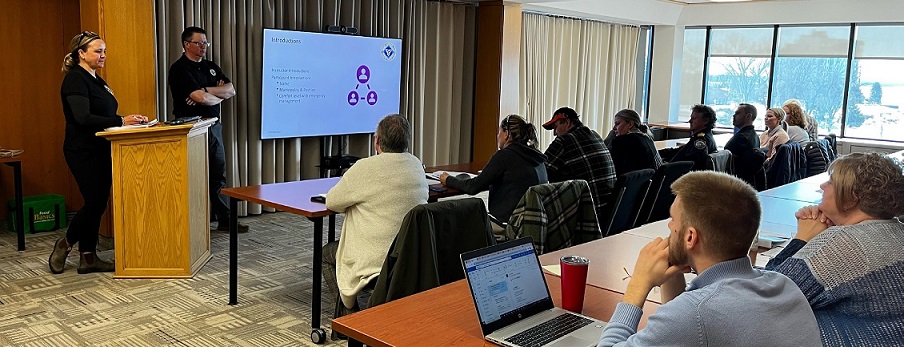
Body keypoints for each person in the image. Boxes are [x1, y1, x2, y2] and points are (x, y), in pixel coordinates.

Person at [598, 171, 821, 346]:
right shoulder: (784, 286)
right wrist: (674, 266)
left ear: (691, 237)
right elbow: (688, 326)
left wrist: (638, 283)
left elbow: (691, 317)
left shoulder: (696, 313)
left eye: (673, 219)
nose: (669, 226)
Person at [765, 152, 904, 346]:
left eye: (830, 182)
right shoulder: (896, 229)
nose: (822, 186)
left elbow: (763, 294)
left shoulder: (845, 243)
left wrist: (802, 238)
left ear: (850, 199)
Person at [49, 31, 149, 274]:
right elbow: (82, 118)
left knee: (98, 203)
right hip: (82, 150)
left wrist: (131, 121)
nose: (103, 55)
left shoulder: (97, 80)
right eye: (97, 51)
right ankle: (65, 243)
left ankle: (89, 257)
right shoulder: (75, 79)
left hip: (103, 148)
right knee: (94, 202)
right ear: (81, 54)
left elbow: (104, 114)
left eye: (104, 50)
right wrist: (120, 120)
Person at [321, 114, 428, 317]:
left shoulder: (364, 168)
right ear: (407, 140)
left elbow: (332, 202)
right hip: (410, 255)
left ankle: (350, 319)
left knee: (326, 255)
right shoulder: (416, 165)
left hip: (377, 261)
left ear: (377, 141)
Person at [168, 26, 247, 233]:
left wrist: (205, 91)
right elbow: (200, 99)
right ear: (186, 44)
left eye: (205, 43)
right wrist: (212, 95)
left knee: (218, 172)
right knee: (194, 174)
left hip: (213, 124)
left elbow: (230, 90)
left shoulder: (211, 67)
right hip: (191, 126)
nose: (203, 47)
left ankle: (224, 220)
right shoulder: (180, 69)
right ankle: (193, 223)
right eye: (199, 43)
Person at [439, 115, 547, 230]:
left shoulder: (505, 156)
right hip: (532, 225)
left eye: (499, 132)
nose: (497, 136)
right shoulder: (537, 158)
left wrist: (448, 179)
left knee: (457, 224)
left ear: (506, 134)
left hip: (508, 224)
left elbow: (473, 187)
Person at [542, 107, 615, 220]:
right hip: (607, 211)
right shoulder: (595, 135)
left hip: (586, 215)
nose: (555, 133)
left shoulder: (563, 141)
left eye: (555, 127)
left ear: (567, 122)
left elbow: (542, 173)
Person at [659, 104, 718, 171]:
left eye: (694, 118)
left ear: (705, 121)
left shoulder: (700, 140)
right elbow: (680, 151)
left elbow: (691, 163)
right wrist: (658, 153)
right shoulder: (704, 137)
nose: (690, 121)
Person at [608, 109, 662, 176]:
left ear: (630, 124)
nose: (614, 128)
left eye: (617, 124)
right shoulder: (647, 138)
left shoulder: (621, 142)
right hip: (653, 184)